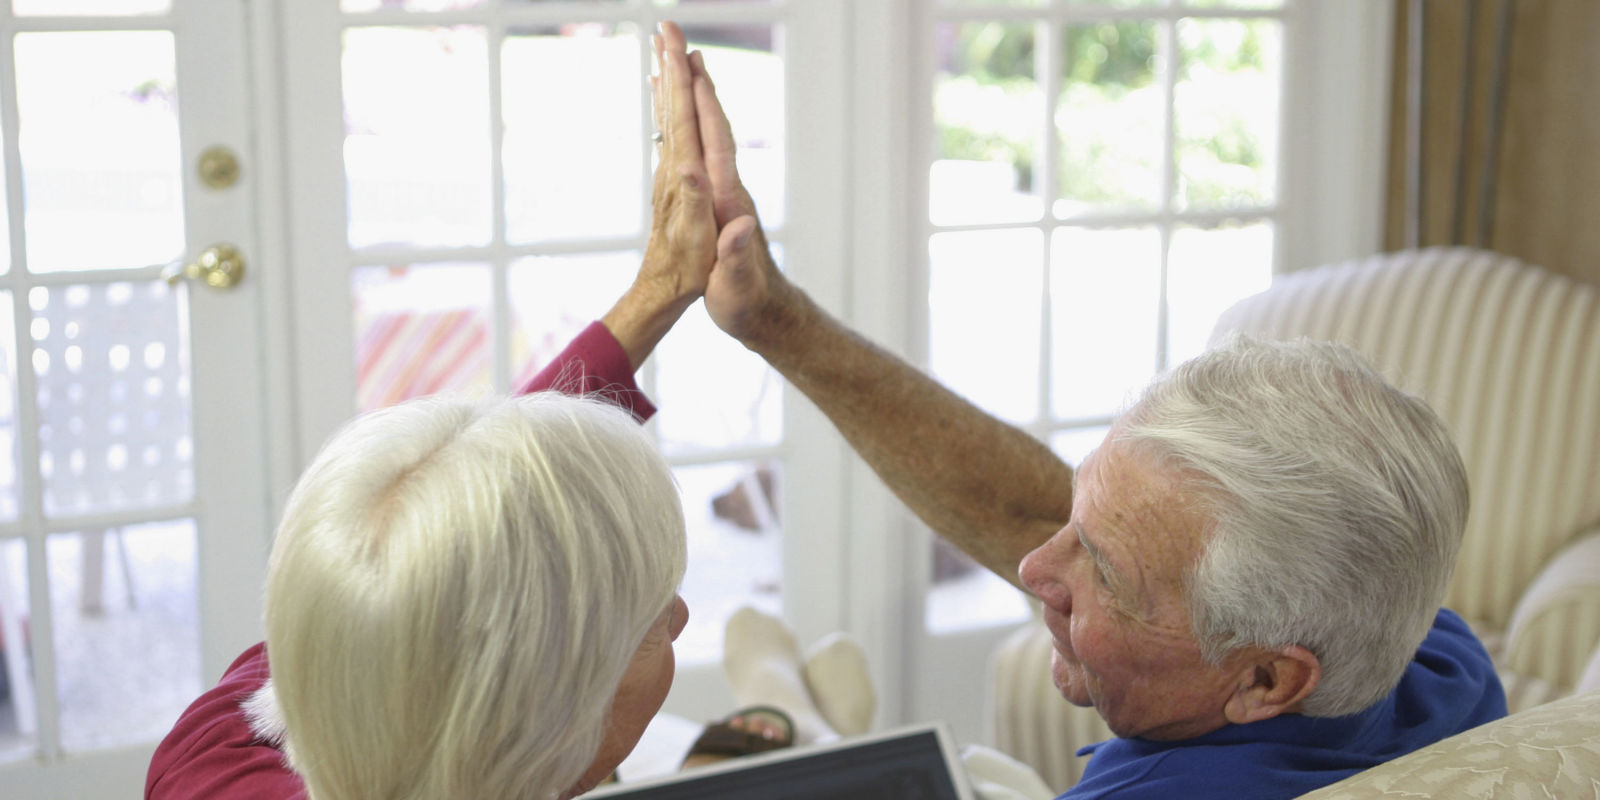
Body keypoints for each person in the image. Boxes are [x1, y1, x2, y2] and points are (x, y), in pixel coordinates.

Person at [677, 39, 1509, 799]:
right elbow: (1053, 521)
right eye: (1080, 516)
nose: (1036, 563)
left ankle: (785, 715)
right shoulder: (1433, 662)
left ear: (1265, 682)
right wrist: (773, 319)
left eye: (1104, 573)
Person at [146, 22, 734, 800]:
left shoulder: (227, 736)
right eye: (645, 619)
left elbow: (420, 556)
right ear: (532, 718)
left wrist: (661, 287)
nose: (680, 617)